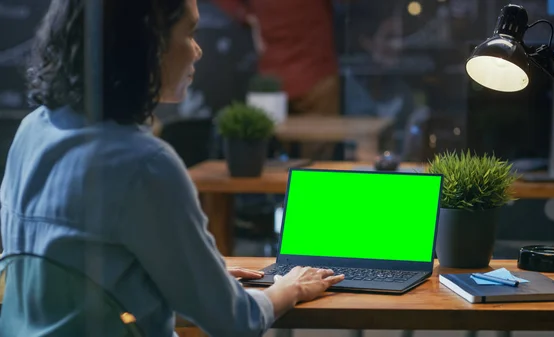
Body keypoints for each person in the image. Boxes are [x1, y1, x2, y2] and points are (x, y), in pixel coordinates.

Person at [0, 0, 344, 336]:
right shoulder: (145, 163)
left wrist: (195, 271)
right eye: (190, 32)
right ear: (147, 41)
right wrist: (289, 289)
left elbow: (78, 276)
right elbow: (235, 321)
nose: (197, 50)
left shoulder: (32, 131)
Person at [213, 0, 341, 160]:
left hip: (277, 75)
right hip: (313, 73)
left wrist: (246, 16)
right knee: (318, 162)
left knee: (272, 162)